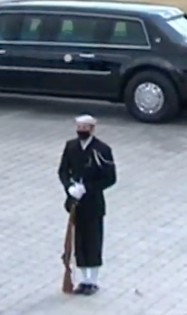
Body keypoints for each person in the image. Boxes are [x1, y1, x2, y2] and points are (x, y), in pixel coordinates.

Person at [58, 114, 117, 295]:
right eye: (79, 127)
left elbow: (110, 178)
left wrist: (87, 188)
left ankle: (93, 280)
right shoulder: (71, 146)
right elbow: (63, 171)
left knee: (93, 241)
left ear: (92, 129)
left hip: (93, 203)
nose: (81, 131)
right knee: (79, 242)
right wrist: (69, 187)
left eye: (84, 128)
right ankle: (84, 279)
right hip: (76, 203)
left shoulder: (102, 149)